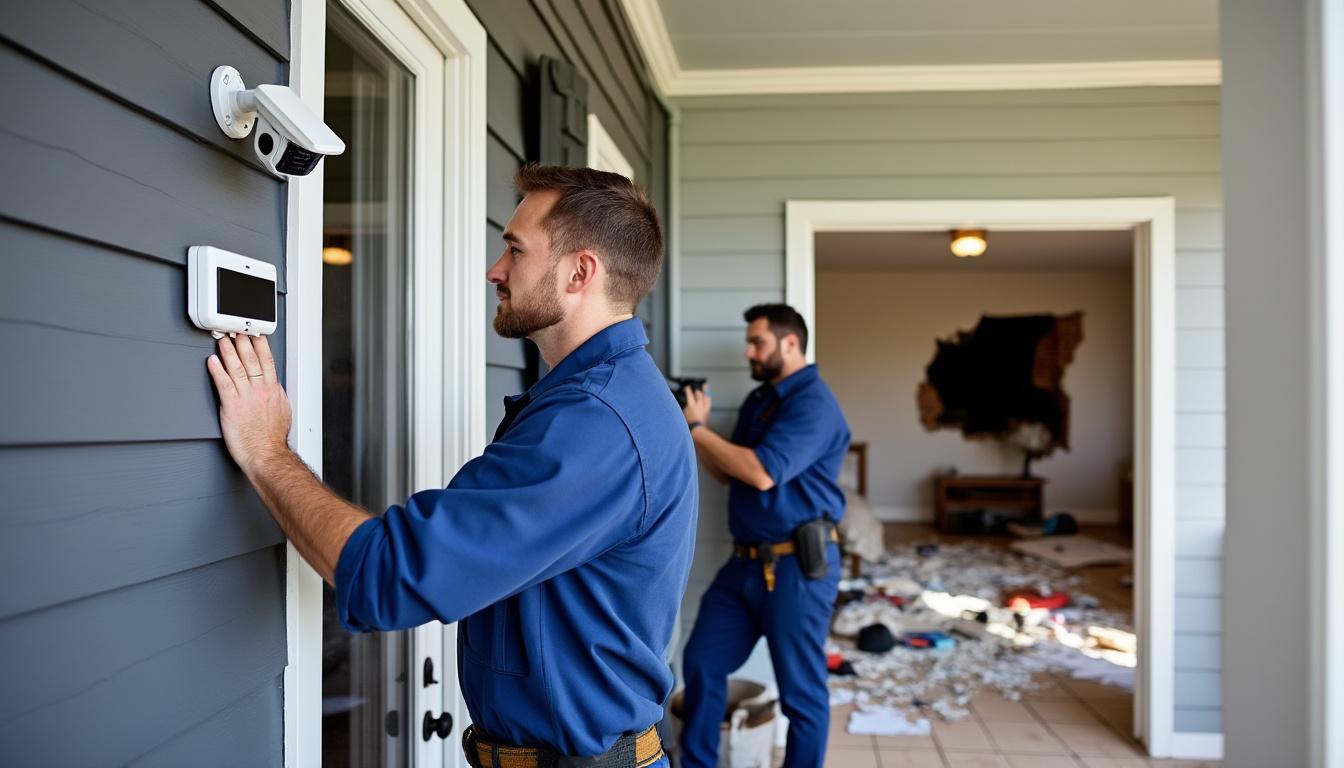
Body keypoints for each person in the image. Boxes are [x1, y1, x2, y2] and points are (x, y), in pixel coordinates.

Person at [205, 165, 697, 766]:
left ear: (580, 271)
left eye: (515, 249)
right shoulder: (603, 399)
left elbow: (390, 573)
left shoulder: (597, 422)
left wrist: (265, 451)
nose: (496, 269)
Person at [677, 304, 850, 768]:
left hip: (798, 569)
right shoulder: (761, 399)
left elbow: (761, 474)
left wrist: (697, 428)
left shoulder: (813, 403)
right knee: (702, 662)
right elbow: (731, 473)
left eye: (758, 342)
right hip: (744, 566)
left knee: (801, 695)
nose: (747, 351)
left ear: (790, 343)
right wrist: (701, 434)